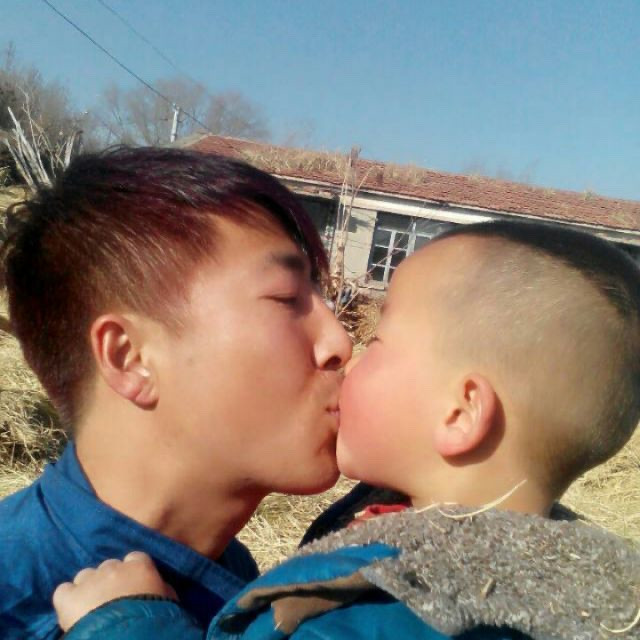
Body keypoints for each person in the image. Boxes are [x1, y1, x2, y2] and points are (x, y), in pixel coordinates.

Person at [53, 220, 640, 639]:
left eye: (378, 341)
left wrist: (127, 622)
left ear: (459, 413)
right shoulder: (570, 589)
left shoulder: (393, 615)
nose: (344, 349)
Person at [0, 147, 352, 639]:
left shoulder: (229, 579)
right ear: (129, 357)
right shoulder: (18, 608)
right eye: (286, 298)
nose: (339, 342)